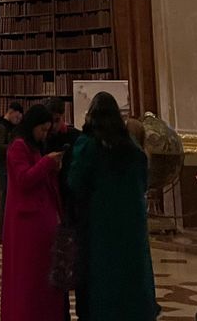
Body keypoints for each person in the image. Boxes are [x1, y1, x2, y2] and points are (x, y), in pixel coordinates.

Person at [69, 91, 156, 320]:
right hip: (131, 227)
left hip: (99, 226)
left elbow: (75, 182)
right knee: (132, 277)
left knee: (102, 280)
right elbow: (143, 182)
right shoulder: (133, 150)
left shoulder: (88, 147)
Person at [0, 103, 65, 321]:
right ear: (32, 125)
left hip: (39, 221)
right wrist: (47, 163)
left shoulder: (34, 146)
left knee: (40, 276)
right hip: (26, 223)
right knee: (27, 277)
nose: (44, 134)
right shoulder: (19, 146)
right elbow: (23, 179)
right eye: (42, 130)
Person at [0, 100, 22, 242]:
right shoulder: (1, 127)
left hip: (9, 167)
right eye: (17, 117)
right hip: (3, 167)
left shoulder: (9, 127)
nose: (18, 120)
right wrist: (14, 146)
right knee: (5, 200)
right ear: (10, 112)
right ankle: (3, 235)